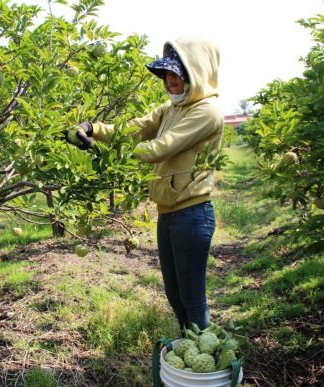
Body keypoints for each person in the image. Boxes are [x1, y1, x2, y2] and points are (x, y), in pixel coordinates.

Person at [66, 35, 224, 331]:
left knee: (192, 298)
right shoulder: (171, 108)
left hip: (192, 214)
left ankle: (207, 363)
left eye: (176, 73)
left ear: (196, 71)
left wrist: (100, 150)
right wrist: (93, 128)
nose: (169, 80)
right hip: (168, 212)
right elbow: (136, 129)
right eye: (166, 74)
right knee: (175, 295)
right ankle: (187, 352)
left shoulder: (207, 112)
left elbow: (160, 148)